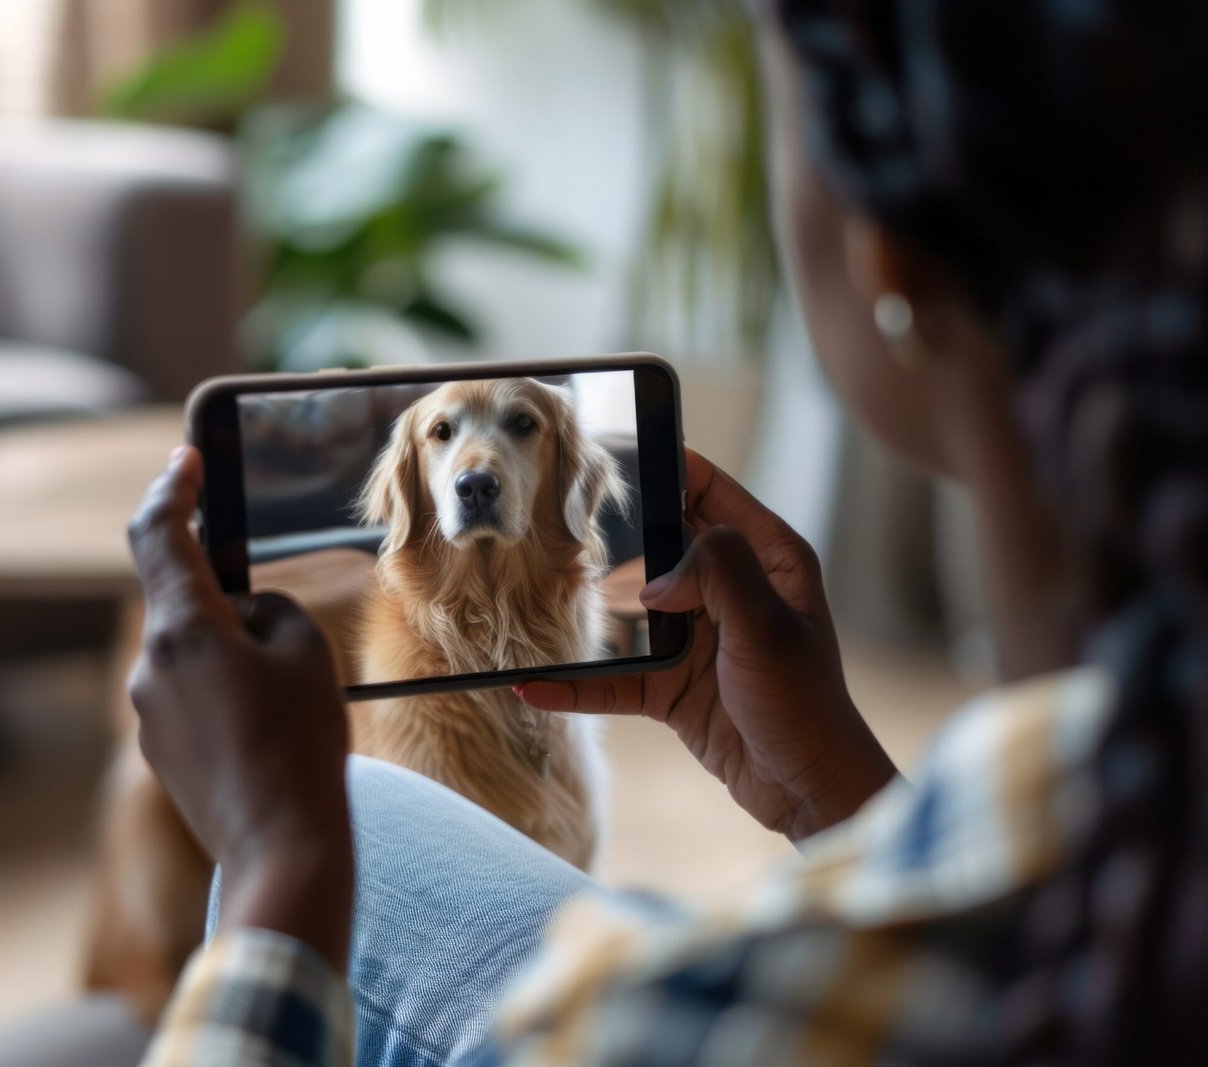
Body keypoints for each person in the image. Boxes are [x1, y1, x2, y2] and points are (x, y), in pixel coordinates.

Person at [124, 1, 1208, 1062]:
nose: (476, 460)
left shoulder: (632, 1021)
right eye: (448, 433)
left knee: (364, 813)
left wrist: (280, 859)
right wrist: (834, 786)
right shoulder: (1111, 786)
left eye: (514, 429)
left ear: (891, 257)